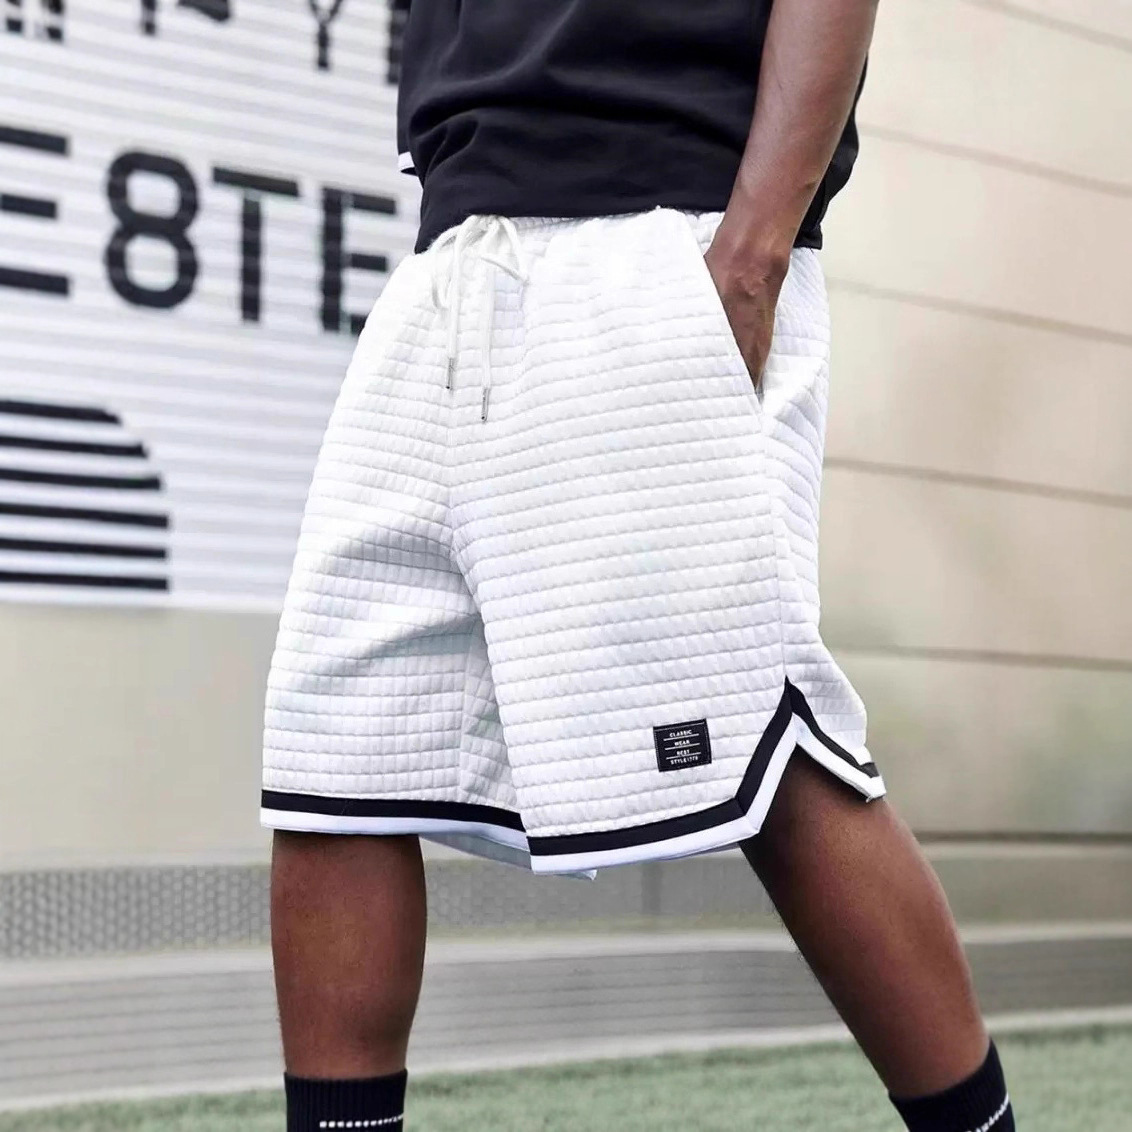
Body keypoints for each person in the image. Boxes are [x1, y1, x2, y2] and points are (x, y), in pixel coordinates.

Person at [262, 1, 1014, 1129]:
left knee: (763, 748)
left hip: (658, 224)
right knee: (339, 755)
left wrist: (751, 254)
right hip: (455, 246)